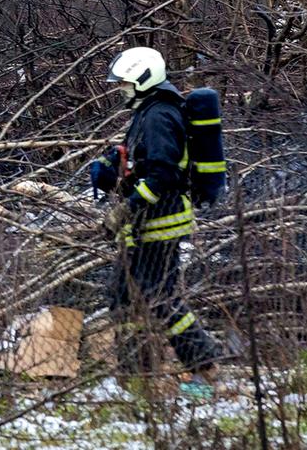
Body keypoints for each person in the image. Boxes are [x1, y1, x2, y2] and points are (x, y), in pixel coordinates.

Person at [88, 46, 220, 383]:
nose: (121, 89)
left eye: (125, 83)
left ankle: (203, 363)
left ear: (143, 79)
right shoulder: (148, 112)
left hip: (160, 222)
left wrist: (127, 208)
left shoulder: (159, 115)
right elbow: (143, 164)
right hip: (145, 224)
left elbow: (162, 174)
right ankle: (136, 373)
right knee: (123, 294)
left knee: (159, 295)